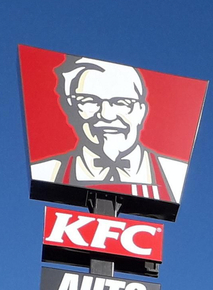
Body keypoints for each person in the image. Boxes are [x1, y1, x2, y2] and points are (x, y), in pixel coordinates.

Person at [30, 56, 189, 202]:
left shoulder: (173, 173)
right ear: (72, 110)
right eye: (89, 101)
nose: (107, 115)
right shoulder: (47, 172)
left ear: (141, 111)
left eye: (121, 103)